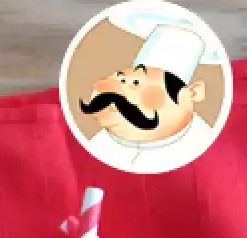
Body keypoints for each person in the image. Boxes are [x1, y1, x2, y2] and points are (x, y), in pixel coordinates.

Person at [80, 24, 216, 173]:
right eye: (121, 79)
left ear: (193, 93)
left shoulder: (202, 146)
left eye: (136, 83)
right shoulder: (101, 142)